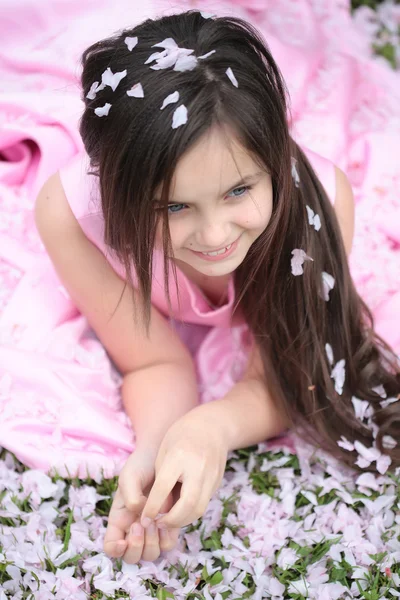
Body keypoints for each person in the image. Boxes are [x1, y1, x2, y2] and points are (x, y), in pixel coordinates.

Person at [34, 10, 400, 565]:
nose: (213, 235)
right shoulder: (71, 217)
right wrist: (156, 449)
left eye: (239, 190)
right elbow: (154, 360)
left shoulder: (318, 203)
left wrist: (213, 426)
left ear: (274, 160)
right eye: (173, 206)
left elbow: (290, 368)